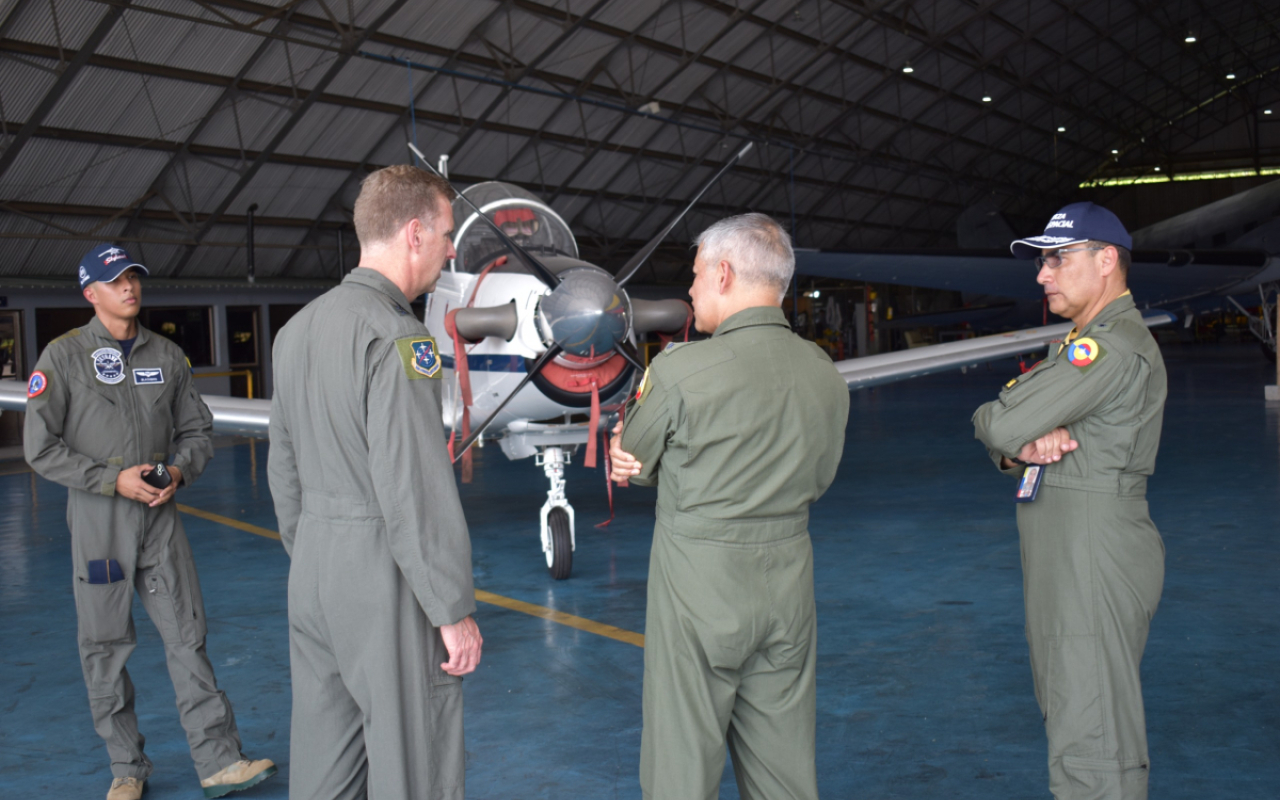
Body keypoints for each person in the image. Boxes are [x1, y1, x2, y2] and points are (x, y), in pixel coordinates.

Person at [609, 213, 849, 800]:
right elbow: (820, 475)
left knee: (681, 766)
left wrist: (628, 453)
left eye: (693, 276)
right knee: (785, 772)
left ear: (722, 273)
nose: (689, 291)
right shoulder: (822, 371)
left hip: (700, 587)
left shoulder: (680, 369)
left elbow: (636, 466)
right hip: (789, 582)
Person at [24, 243, 276, 800]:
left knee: (188, 636)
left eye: (134, 277)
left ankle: (218, 762)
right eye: (116, 281)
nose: (129, 288)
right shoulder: (62, 358)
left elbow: (196, 430)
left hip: (160, 520)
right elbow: (41, 449)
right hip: (100, 523)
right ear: (91, 294)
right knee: (106, 646)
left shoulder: (166, 355)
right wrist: (112, 478)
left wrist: (180, 472)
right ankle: (127, 770)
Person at [267, 165, 482, 800]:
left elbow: (284, 467)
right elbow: (413, 486)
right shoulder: (400, 337)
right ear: (414, 233)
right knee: (415, 763)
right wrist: (452, 609)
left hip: (312, 570)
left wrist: (313, 552)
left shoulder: (295, 331)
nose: (450, 250)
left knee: (325, 768)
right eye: (446, 234)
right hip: (383, 577)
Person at [972, 202, 1167, 800]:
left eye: (1056, 258)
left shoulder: (1107, 348)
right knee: (1071, 706)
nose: (1042, 274)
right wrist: (1022, 448)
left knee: (1093, 728)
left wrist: (1011, 432)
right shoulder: (1083, 342)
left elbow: (994, 417)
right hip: (1069, 546)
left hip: (1091, 548)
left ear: (1107, 260)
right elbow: (1006, 434)